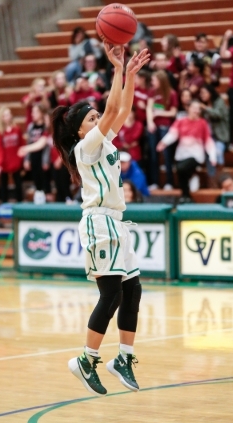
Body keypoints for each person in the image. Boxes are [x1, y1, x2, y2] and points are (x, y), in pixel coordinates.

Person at [52, 43, 150, 396]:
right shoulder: (85, 148)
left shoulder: (103, 142)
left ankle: (123, 357)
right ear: (80, 131)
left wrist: (131, 75)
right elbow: (111, 108)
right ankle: (85, 359)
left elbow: (121, 108)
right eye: (91, 119)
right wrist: (116, 68)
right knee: (110, 294)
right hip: (98, 222)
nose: (99, 120)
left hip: (116, 223)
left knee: (132, 290)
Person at [157, 100, 217, 202]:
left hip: (196, 155)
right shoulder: (181, 121)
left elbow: (208, 140)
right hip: (182, 154)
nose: (196, 110)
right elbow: (173, 134)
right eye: (194, 107)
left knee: (181, 169)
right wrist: (163, 142)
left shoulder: (203, 123)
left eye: (198, 108)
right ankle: (186, 196)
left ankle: (191, 181)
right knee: (181, 172)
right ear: (188, 108)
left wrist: (212, 156)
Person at [146, 70, 178, 189]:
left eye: (154, 80)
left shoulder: (172, 93)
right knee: (153, 156)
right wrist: (150, 122)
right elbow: (149, 108)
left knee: (166, 155)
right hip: (154, 126)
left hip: (165, 127)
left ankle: (169, 182)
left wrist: (160, 112)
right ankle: (155, 182)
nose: (152, 82)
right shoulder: (152, 92)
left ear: (161, 80)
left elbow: (173, 112)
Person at [0, 106, 24, 203]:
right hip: (4, 162)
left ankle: (20, 202)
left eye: (9, 114)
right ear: (1, 117)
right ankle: (4, 203)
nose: (8, 117)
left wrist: (22, 158)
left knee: (18, 183)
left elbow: (21, 144)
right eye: (5, 115)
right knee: (3, 184)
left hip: (16, 161)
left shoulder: (17, 129)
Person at [18, 104, 51, 195]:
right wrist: (27, 158)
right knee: (36, 178)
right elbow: (34, 142)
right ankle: (39, 195)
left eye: (35, 112)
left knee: (46, 180)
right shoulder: (31, 127)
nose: (33, 114)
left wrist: (24, 149)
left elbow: (42, 144)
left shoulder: (48, 128)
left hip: (46, 157)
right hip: (34, 157)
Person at [199, 84, 229, 184]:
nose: (202, 95)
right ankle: (212, 182)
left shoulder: (219, 102)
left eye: (204, 93)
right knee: (209, 158)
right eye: (201, 93)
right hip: (207, 137)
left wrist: (205, 108)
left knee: (218, 154)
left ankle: (221, 179)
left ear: (210, 93)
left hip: (219, 136)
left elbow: (218, 114)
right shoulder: (202, 105)